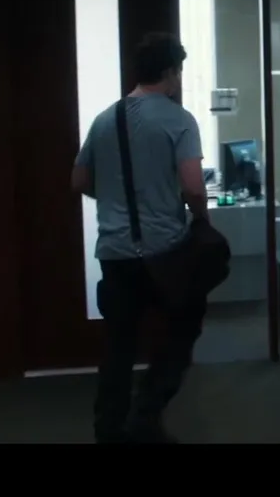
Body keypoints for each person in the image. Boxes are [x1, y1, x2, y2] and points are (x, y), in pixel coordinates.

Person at [71, 32, 210, 444]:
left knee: (119, 347)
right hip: (165, 253)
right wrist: (201, 221)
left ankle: (108, 429)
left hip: (115, 254)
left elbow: (79, 180)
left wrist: (114, 198)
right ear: (169, 72)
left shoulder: (105, 118)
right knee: (181, 332)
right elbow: (193, 187)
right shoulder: (178, 119)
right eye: (178, 72)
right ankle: (146, 415)